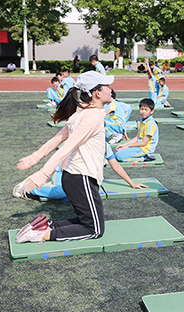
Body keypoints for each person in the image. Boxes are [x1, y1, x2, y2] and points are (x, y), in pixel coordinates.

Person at [13, 71, 114, 243]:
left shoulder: (82, 113)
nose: (111, 90)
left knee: (87, 222)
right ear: (97, 93)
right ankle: (39, 235)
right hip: (82, 177)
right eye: (107, 86)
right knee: (94, 230)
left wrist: (34, 157)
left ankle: (43, 227)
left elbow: (57, 139)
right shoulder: (92, 117)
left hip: (73, 177)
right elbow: (65, 148)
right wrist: (42, 174)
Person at [14, 142, 149, 201]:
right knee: (61, 192)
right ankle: (27, 188)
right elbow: (64, 168)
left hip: (81, 175)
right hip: (66, 171)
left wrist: (132, 183)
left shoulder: (104, 145)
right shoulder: (81, 142)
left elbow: (116, 166)